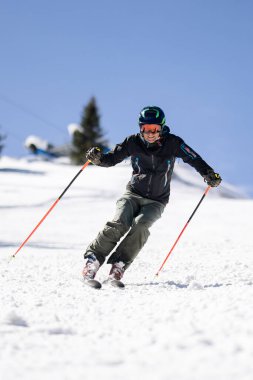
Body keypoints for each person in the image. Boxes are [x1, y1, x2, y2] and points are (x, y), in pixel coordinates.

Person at [82, 106, 221, 284]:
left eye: (155, 129)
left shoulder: (173, 143)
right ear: (141, 128)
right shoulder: (132, 142)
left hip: (157, 200)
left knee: (141, 226)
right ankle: (92, 261)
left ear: (161, 128)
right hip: (133, 194)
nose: (150, 133)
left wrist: (208, 173)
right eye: (146, 129)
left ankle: (119, 266)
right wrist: (99, 159)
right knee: (119, 223)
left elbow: (193, 158)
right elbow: (111, 159)